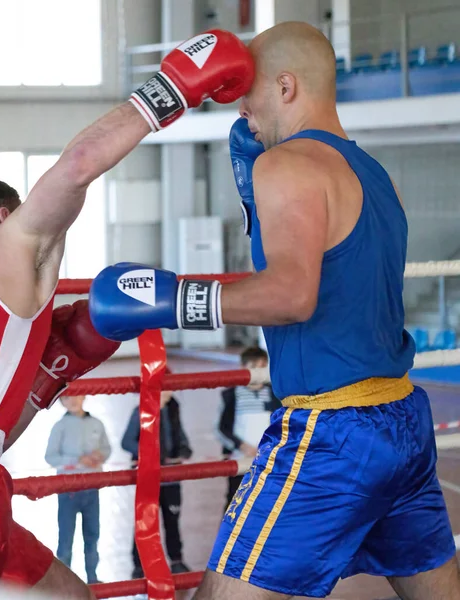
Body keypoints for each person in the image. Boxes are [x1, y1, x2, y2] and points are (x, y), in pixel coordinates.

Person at [0, 27, 255, 597]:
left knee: (66, 592)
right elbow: (77, 164)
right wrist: (174, 85)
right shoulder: (6, 248)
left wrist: (56, 367)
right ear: (5, 215)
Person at [88, 21, 460, 600]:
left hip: (332, 431)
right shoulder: (376, 176)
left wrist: (170, 300)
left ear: (286, 87)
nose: (240, 105)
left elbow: (291, 295)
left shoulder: (286, 166)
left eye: (248, 90)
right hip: (401, 417)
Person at [121, 386, 192, 579]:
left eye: (168, 389)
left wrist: (184, 451)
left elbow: (182, 438)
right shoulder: (139, 412)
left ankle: (176, 561)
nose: (165, 393)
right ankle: (139, 564)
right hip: (147, 477)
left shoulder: (173, 410)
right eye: (161, 389)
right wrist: (151, 452)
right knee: (144, 522)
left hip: (170, 478)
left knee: (172, 521)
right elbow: (126, 442)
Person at [45, 394, 111, 584]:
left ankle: (93, 578)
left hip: (92, 488)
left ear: (84, 396)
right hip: (68, 490)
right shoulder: (60, 426)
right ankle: (65, 583)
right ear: (60, 401)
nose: (72, 400)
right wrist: (76, 460)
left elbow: (107, 448)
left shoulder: (97, 423)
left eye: (76, 395)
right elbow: (50, 457)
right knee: (66, 537)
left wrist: (100, 456)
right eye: (66, 397)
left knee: (92, 535)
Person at [217, 346, 280, 510]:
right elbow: (221, 428)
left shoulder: (275, 394)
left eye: (262, 367)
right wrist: (242, 446)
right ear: (243, 368)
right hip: (239, 459)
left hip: (268, 459)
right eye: (254, 367)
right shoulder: (231, 395)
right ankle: (229, 536)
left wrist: (270, 447)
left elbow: (280, 426)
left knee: (268, 504)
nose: (258, 373)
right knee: (235, 503)